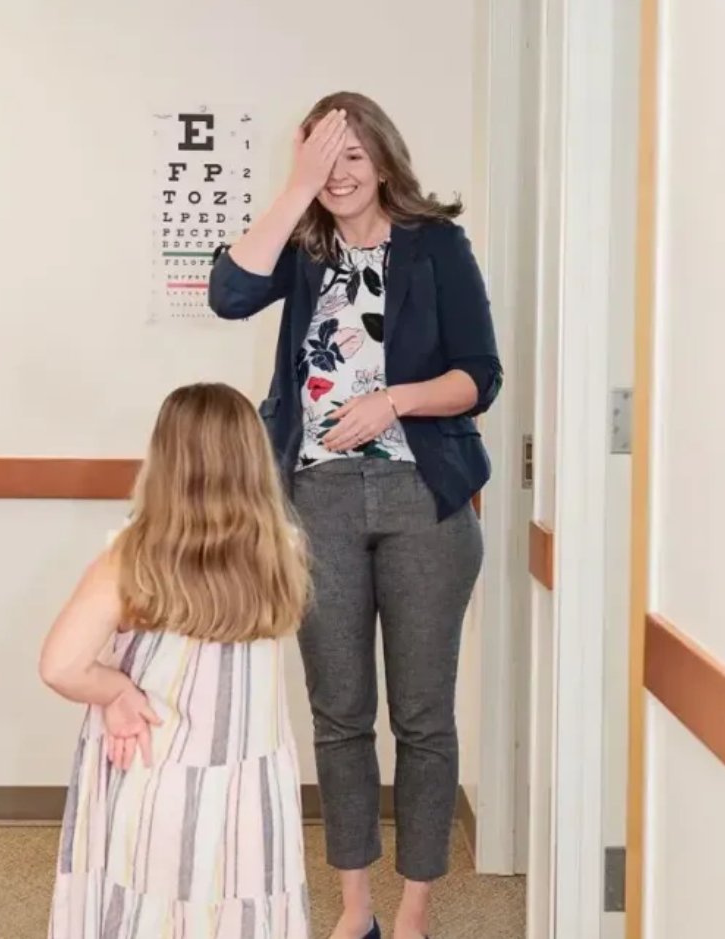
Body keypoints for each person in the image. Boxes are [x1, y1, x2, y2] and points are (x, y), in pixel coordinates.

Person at [209, 92, 502, 939]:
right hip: (317, 498)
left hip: (424, 498)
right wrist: (293, 190)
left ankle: (411, 910)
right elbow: (229, 296)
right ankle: (355, 909)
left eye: (350, 157)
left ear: (382, 162)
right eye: (319, 157)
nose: (337, 175)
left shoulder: (434, 246)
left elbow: (477, 375)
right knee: (339, 714)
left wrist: (393, 401)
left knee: (422, 714)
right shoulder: (300, 249)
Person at [38, 382, 313, 939]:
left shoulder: (132, 557)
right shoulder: (281, 550)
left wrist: (116, 692)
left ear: (163, 459)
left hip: (154, 776)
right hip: (253, 795)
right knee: (246, 911)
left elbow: (60, 665)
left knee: (149, 911)